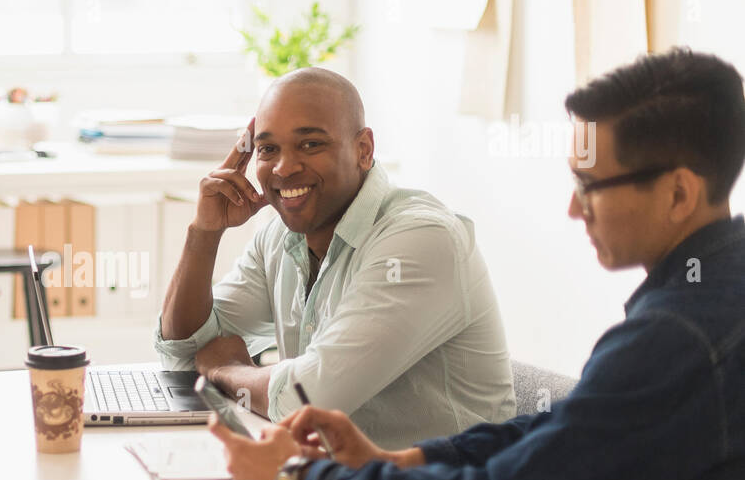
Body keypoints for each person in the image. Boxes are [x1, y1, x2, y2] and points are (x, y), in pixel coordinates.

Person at [210, 48, 745, 480]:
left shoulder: (677, 339)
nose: (575, 211)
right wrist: (407, 459)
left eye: (590, 184)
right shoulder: (712, 295)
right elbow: (567, 429)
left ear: (679, 191)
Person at [156, 67, 514, 448]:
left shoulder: (422, 240)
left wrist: (227, 369)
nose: (284, 168)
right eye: (268, 149)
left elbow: (306, 399)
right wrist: (204, 234)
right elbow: (184, 351)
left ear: (364, 150)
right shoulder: (280, 238)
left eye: (310, 145)